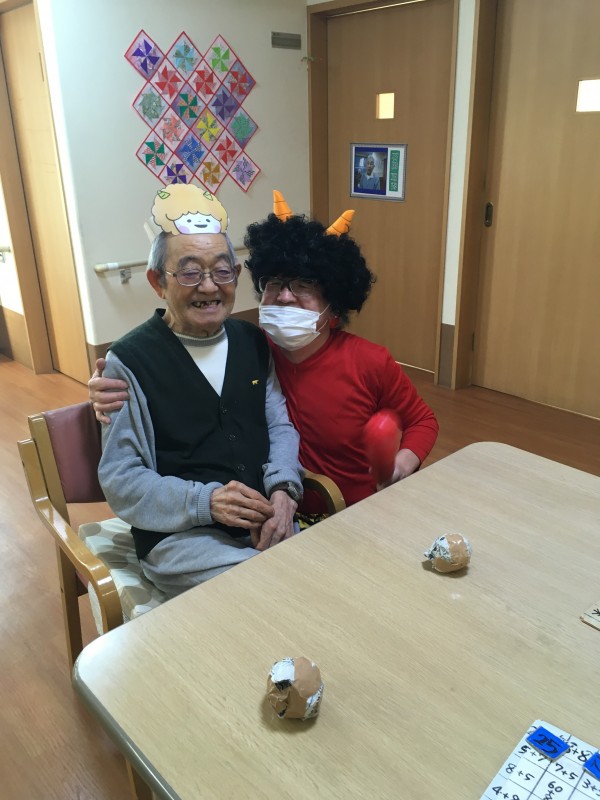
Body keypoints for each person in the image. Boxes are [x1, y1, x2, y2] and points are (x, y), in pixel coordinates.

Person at [91, 190, 438, 517]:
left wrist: (401, 465)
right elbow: (180, 367)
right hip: (275, 512)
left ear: (334, 301)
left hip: (355, 511)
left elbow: (422, 421)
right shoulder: (255, 351)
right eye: (274, 283)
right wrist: (106, 389)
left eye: (304, 285)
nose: (285, 296)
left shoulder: (369, 361)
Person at [96, 183, 304, 598]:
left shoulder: (253, 341)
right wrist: (205, 502)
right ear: (157, 281)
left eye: (222, 271)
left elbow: (279, 426)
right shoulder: (130, 360)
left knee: (305, 584)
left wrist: (284, 490)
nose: (209, 287)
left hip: (265, 519)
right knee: (272, 590)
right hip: (181, 539)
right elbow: (121, 478)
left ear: (236, 275)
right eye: (190, 272)